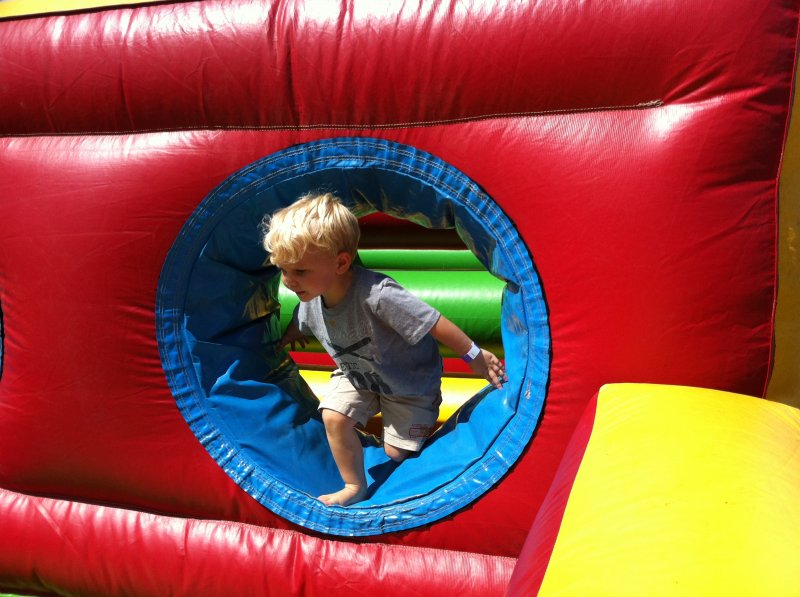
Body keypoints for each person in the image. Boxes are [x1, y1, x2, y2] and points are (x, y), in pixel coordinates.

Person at [262, 192, 506, 507]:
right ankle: (354, 485)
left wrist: (474, 355)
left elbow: (433, 322)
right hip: (358, 375)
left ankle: (419, 415)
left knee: (395, 453)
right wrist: (291, 333)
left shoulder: (377, 295)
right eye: (283, 270)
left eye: (299, 271)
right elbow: (302, 316)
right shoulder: (311, 295)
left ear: (341, 262)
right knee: (332, 417)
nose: (288, 281)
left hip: (408, 384)